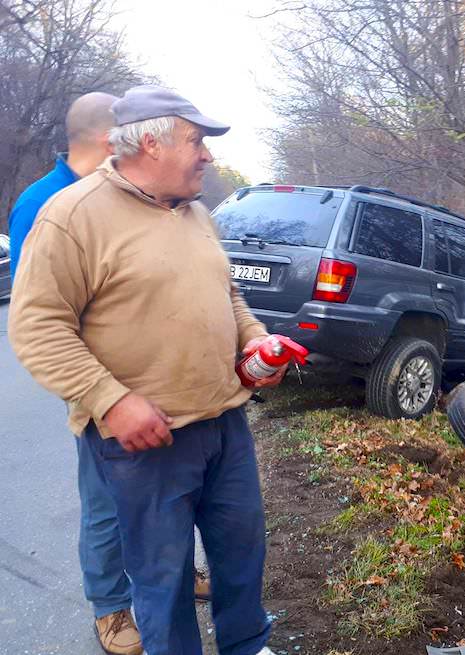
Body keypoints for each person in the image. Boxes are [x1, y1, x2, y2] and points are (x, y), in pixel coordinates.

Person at [9, 85, 281, 655]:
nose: (207, 154)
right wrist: (110, 399)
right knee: (164, 580)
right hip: (144, 440)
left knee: (240, 555)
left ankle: (248, 646)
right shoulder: (73, 215)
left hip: (224, 423)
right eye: (196, 141)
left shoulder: (196, 213)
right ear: (150, 144)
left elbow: (227, 296)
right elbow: (38, 326)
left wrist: (256, 343)